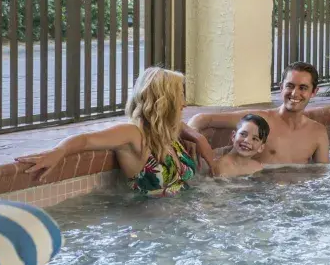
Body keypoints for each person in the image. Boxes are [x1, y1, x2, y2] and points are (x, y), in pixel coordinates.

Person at [15, 67, 219, 197]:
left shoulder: (170, 129)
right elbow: (86, 140)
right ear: (164, 102)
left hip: (182, 219)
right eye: (180, 97)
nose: (184, 104)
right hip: (152, 227)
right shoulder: (133, 134)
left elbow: (196, 133)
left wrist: (199, 139)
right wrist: (58, 152)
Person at [189, 62, 330, 165]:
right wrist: (194, 137)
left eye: (303, 88)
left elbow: (321, 175)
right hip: (256, 195)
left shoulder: (318, 132)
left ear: (314, 92)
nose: (294, 93)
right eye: (290, 86)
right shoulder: (259, 120)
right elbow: (201, 119)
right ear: (281, 87)